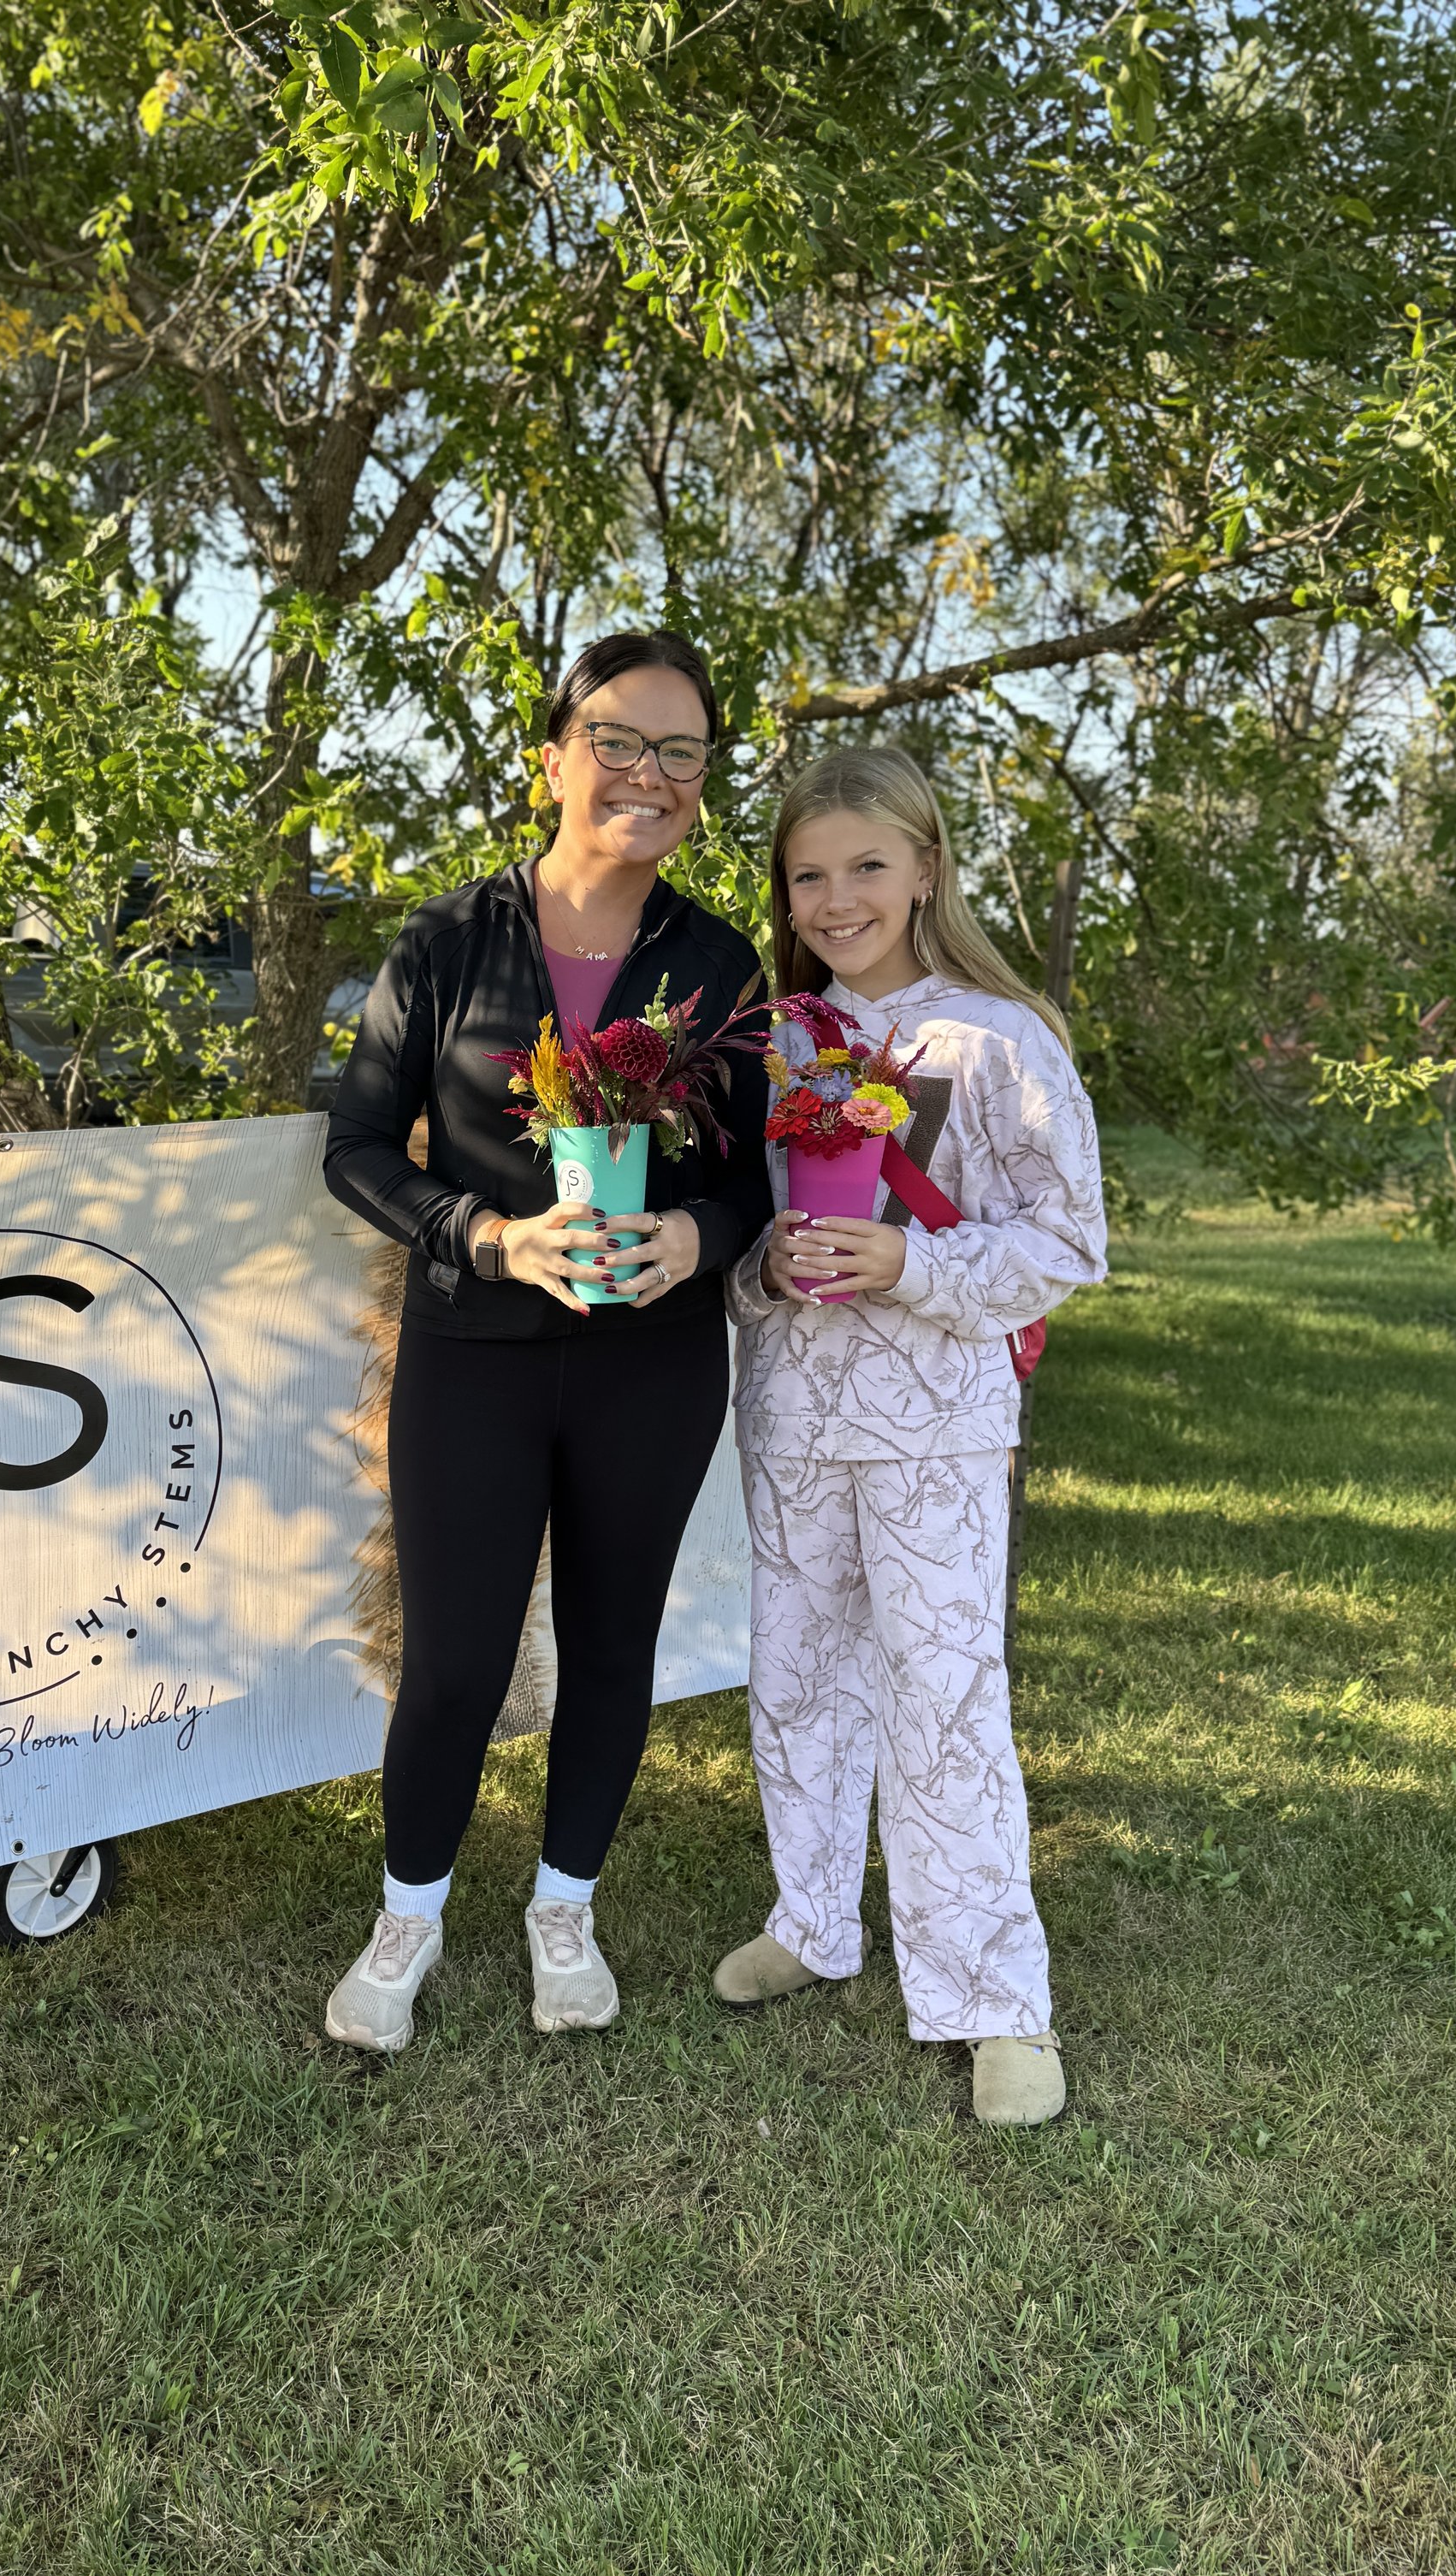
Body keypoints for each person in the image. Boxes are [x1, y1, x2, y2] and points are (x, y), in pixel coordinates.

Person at [322, 629, 772, 2052]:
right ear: (554, 759)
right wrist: (491, 1237)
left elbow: (757, 1168)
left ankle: (562, 1907)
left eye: (682, 752)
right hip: (473, 1348)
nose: (650, 774)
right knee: (453, 1659)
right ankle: (409, 1916)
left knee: (611, 1641)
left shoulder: (716, 959)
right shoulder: (452, 939)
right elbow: (354, 1150)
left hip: (653, 1356)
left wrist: (701, 1236)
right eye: (620, 742)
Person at [713, 745, 1107, 2126]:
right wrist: (768, 1267)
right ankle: (814, 1918)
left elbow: (1070, 1241)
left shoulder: (1002, 1037)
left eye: (867, 866)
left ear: (928, 866)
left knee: (944, 1701)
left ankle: (995, 1998)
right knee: (799, 1677)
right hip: (795, 1418)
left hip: (937, 1426)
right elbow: (733, 1237)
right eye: (808, 874)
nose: (836, 897)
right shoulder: (774, 1042)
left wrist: (911, 1266)